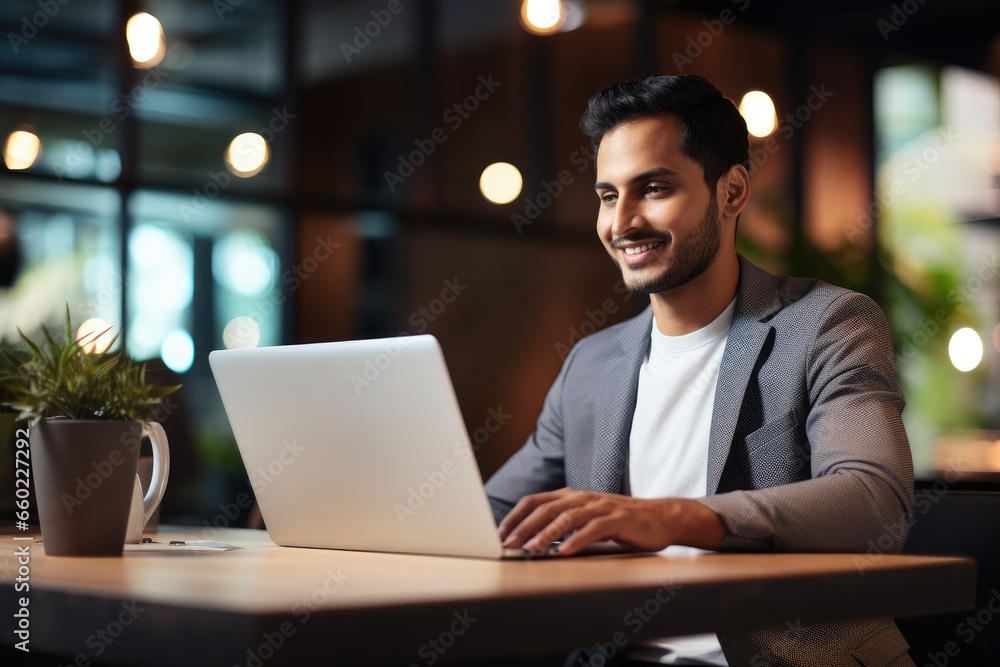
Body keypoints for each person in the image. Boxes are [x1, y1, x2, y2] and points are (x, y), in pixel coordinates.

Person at [484, 74, 915, 667]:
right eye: (608, 196)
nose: (622, 222)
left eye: (654, 188)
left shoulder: (827, 323)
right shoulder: (592, 362)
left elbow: (874, 503)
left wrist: (675, 517)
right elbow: (496, 514)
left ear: (731, 190)